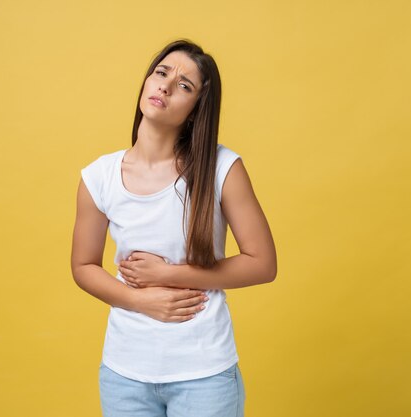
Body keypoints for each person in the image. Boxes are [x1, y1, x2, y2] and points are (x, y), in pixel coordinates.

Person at [71, 39, 277, 417]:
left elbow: (263, 263)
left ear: (197, 110)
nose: (165, 85)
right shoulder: (98, 176)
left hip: (204, 372)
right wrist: (139, 300)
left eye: (184, 85)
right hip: (124, 373)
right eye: (161, 73)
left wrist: (169, 274)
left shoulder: (221, 168)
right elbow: (83, 267)